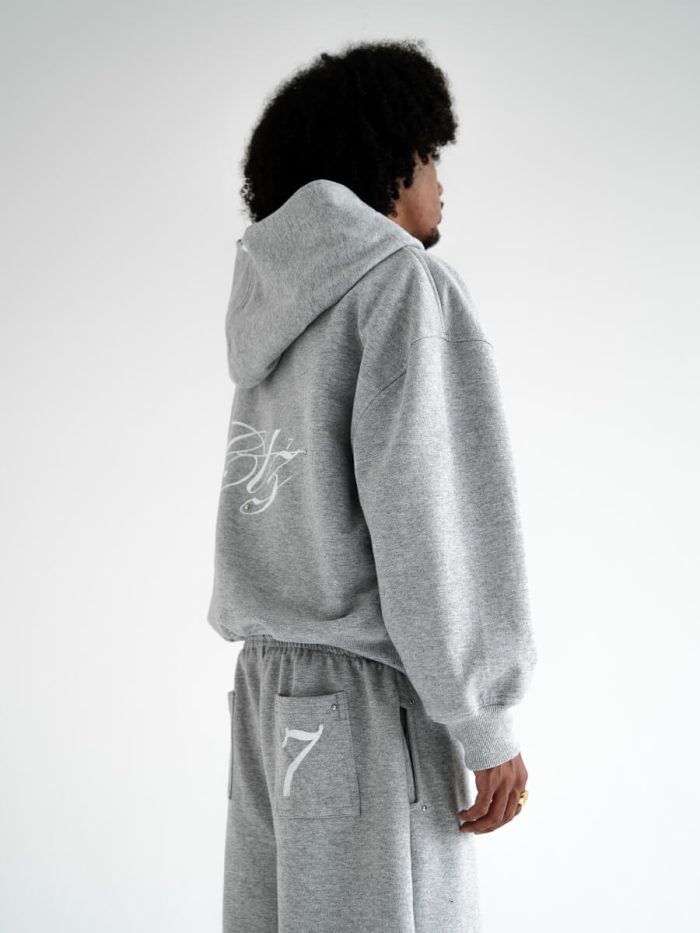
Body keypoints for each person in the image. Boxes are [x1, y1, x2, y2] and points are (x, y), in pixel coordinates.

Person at [207, 38, 538, 933]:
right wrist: (483, 718)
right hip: (366, 704)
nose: (439, 181)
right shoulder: (400, 289)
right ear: (385, 165)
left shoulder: (278, 311)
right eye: (427, 155)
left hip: (270, 696)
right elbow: (427, 521)